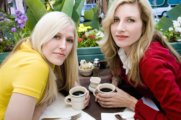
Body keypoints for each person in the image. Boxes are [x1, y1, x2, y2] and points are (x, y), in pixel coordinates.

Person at [96, 0, 181, 119]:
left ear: (144, 25)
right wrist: (116, 79)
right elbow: (124, 71)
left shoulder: (152, 63)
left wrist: (131, 103)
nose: (119, 28)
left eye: (130, 20)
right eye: (115, 20)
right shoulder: (125, 47)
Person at [0, 11, 89, 120]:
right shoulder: (35, 65)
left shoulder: (31, 49)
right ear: (43, 34)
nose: (63, 46)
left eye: (69, 40)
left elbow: (57, 78)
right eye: (56, 36)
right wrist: (44, 103)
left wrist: (76, 88)